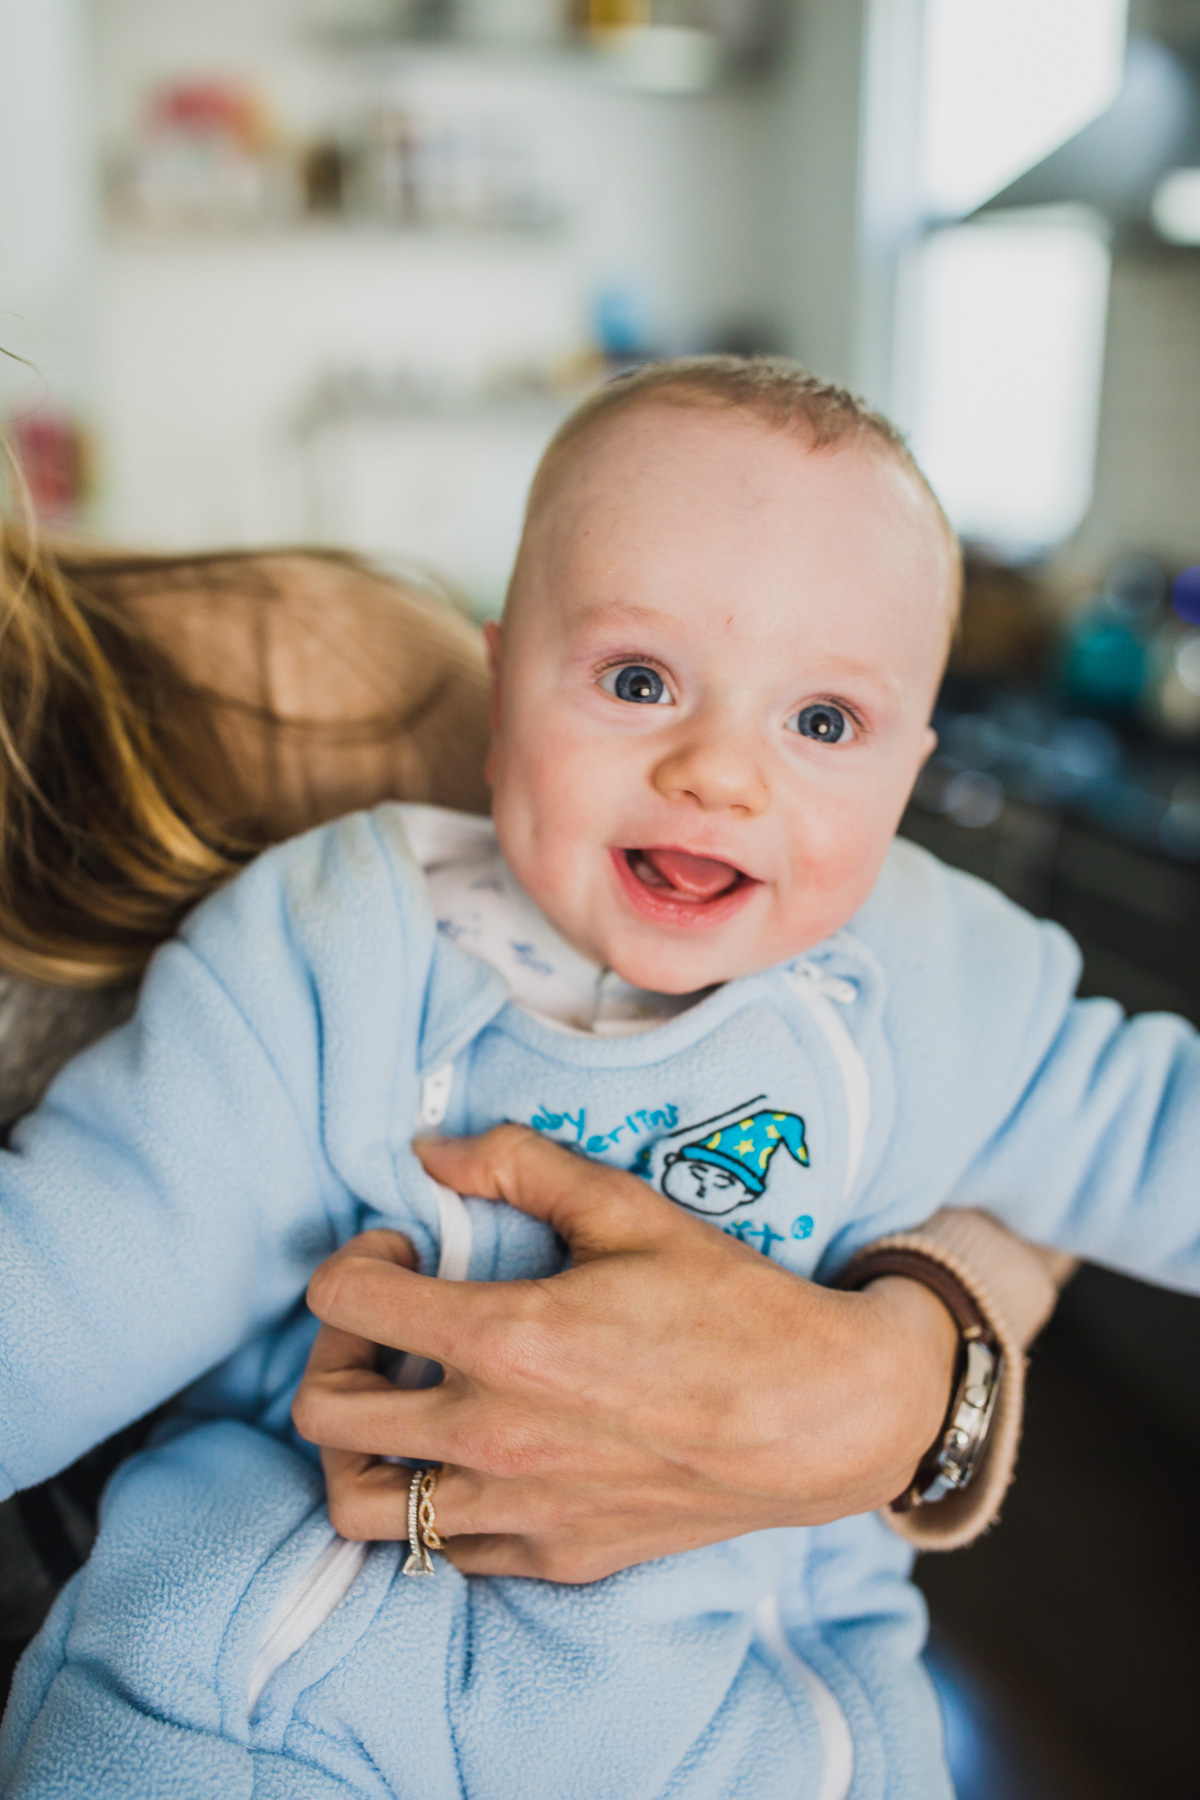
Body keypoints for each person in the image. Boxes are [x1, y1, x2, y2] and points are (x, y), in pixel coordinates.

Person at [1, 358, 1146, 1797]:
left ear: (911, 771)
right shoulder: (344, 939)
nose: (719, 772)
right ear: (504, 688)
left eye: (825, 724)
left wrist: (918, 1370)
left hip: (750, 1716)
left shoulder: (932, 972)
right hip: (281, 1683)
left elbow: (1140, 1132)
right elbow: (85, 1265)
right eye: (638, 681)